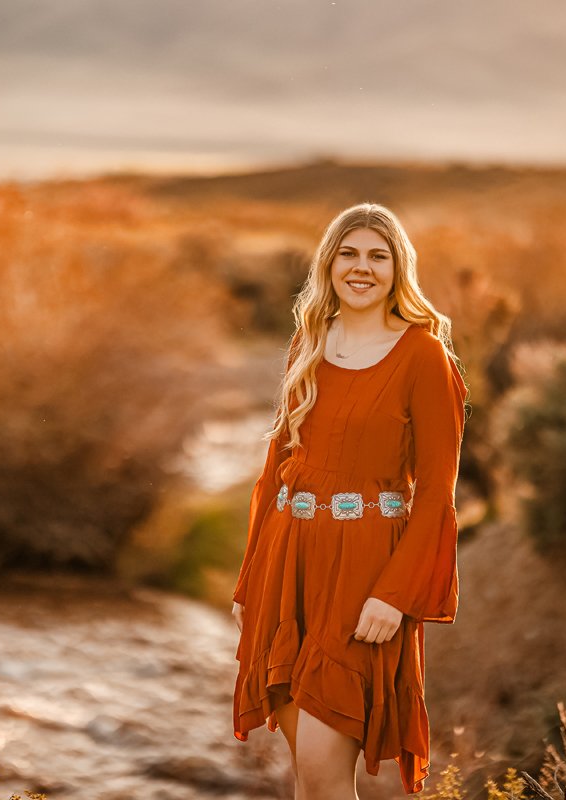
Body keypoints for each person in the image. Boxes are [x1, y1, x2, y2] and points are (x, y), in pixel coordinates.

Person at [231, 202, 469, 798]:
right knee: (308, 780)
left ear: (398, 270)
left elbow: (438, 492)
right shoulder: (308, 342)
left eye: (378, 256)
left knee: (321, 767)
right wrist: (250, 580)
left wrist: (395, 595)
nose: (361, 268)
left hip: (364, 572)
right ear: (329, 263)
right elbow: (274, 469)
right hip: (290, 562)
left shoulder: (423, 356)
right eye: (349, 253)